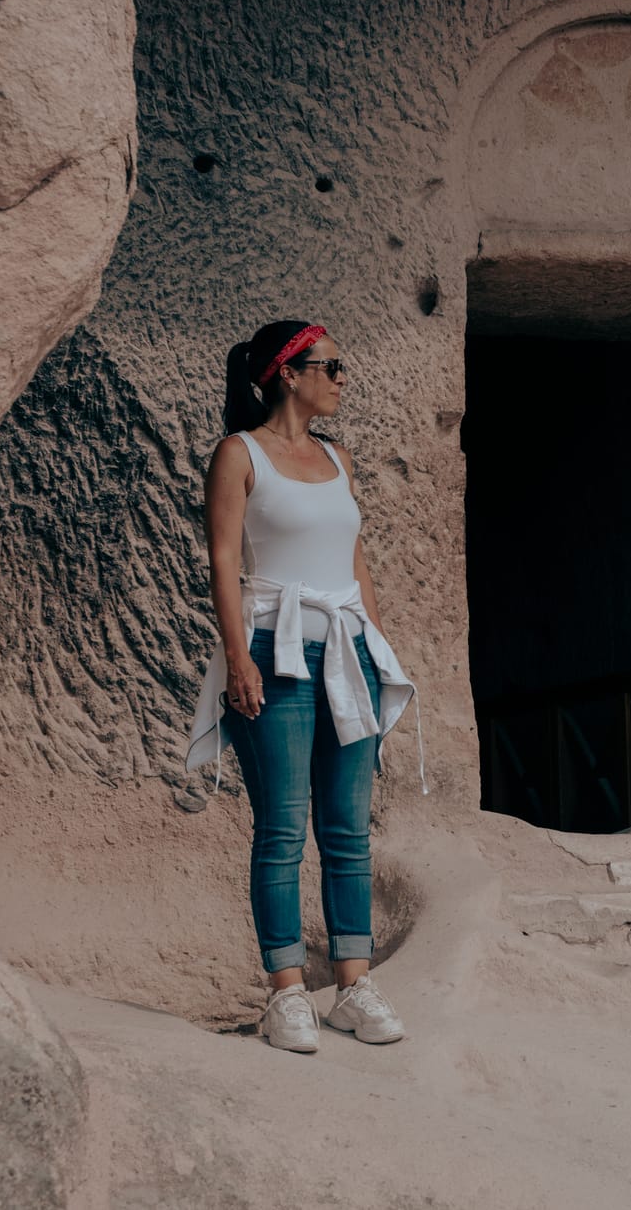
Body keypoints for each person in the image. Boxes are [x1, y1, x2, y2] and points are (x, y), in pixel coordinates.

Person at [183, 320, 422, 1050]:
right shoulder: (239, 454)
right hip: (272, 646)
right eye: (332, 365)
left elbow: (357, 565)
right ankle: (286, 992)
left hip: (347, 650)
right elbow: (224, 560)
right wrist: (237, 656)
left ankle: (353, 984)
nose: (343, 377)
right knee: (283, 826)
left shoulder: (337, 458)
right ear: (288, 372)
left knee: (348, 828)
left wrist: (380, 653)